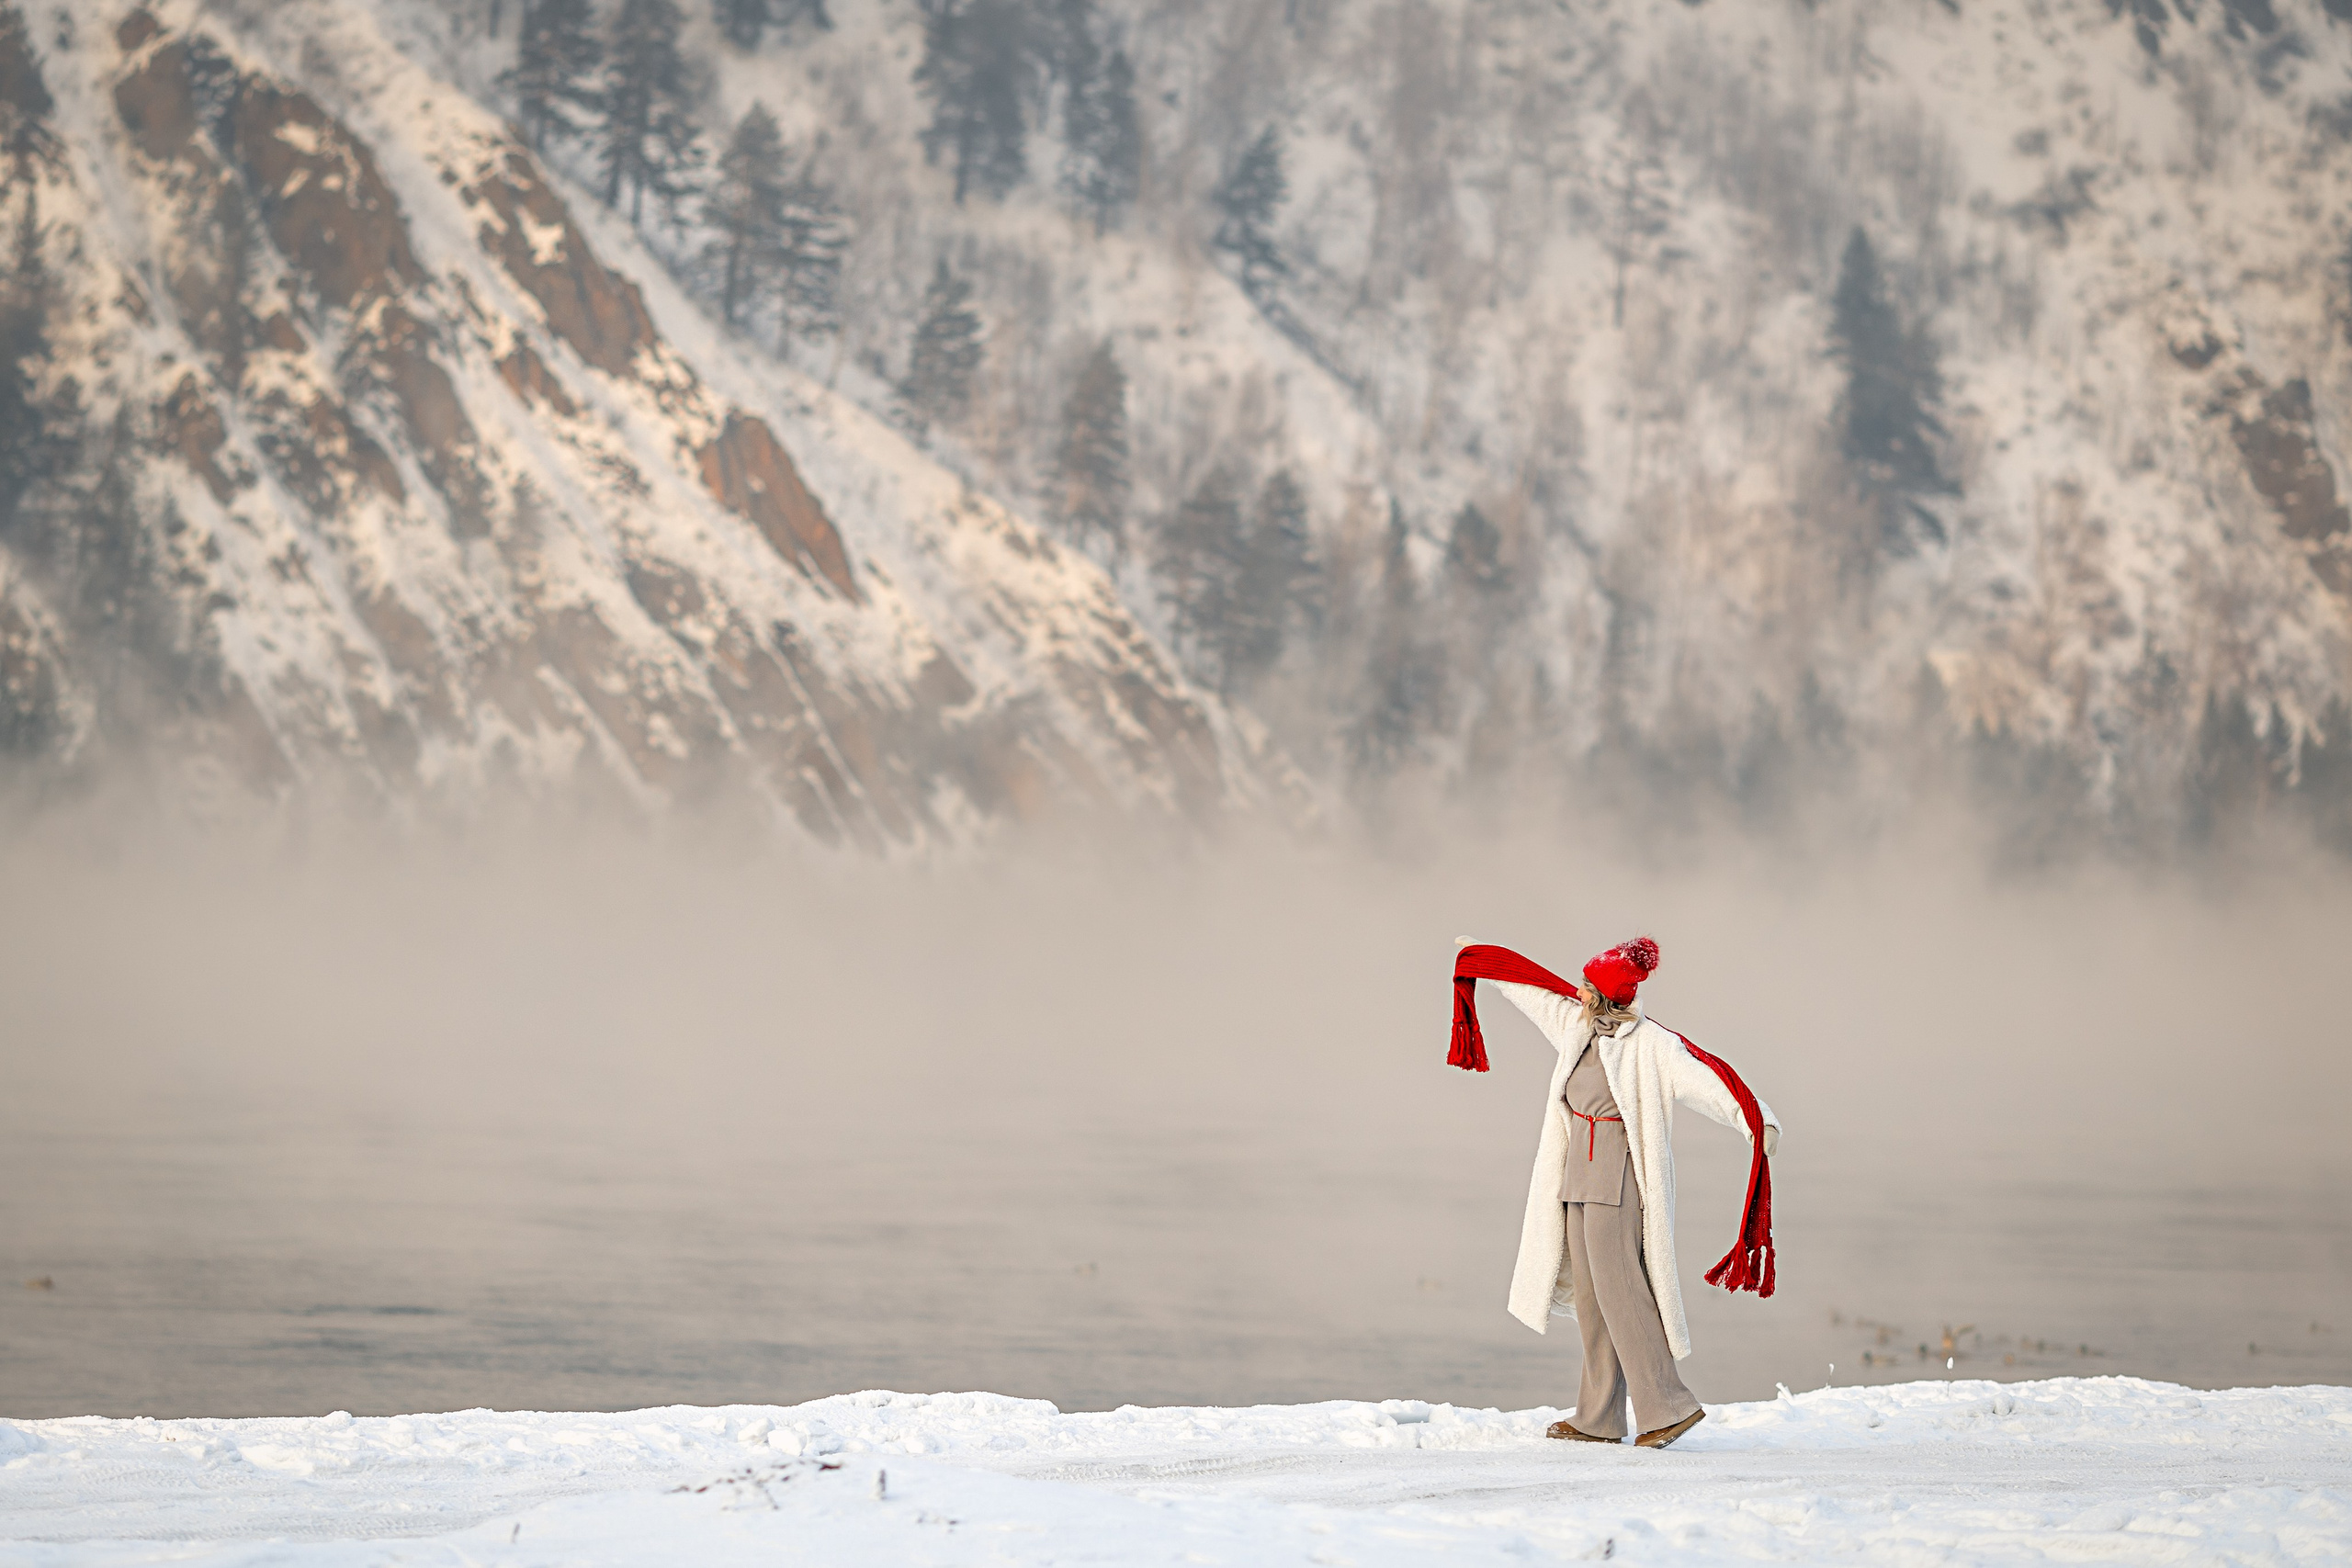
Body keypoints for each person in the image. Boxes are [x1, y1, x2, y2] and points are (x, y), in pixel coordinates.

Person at [1449, 936, 1781, 1450]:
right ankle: (1599, 1416)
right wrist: (1484, 959)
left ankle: (1668, 1406)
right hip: (1576, 1174)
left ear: (1603, 995)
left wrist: (1757, 1122)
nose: (1576, 991)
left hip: (1617, 1175)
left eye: (1585, 986)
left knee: (1622, 1290)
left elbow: (1707, 1080)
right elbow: (1536, 993)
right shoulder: (1577, 1025)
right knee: (1592, 1298)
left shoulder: (1651, 1045)